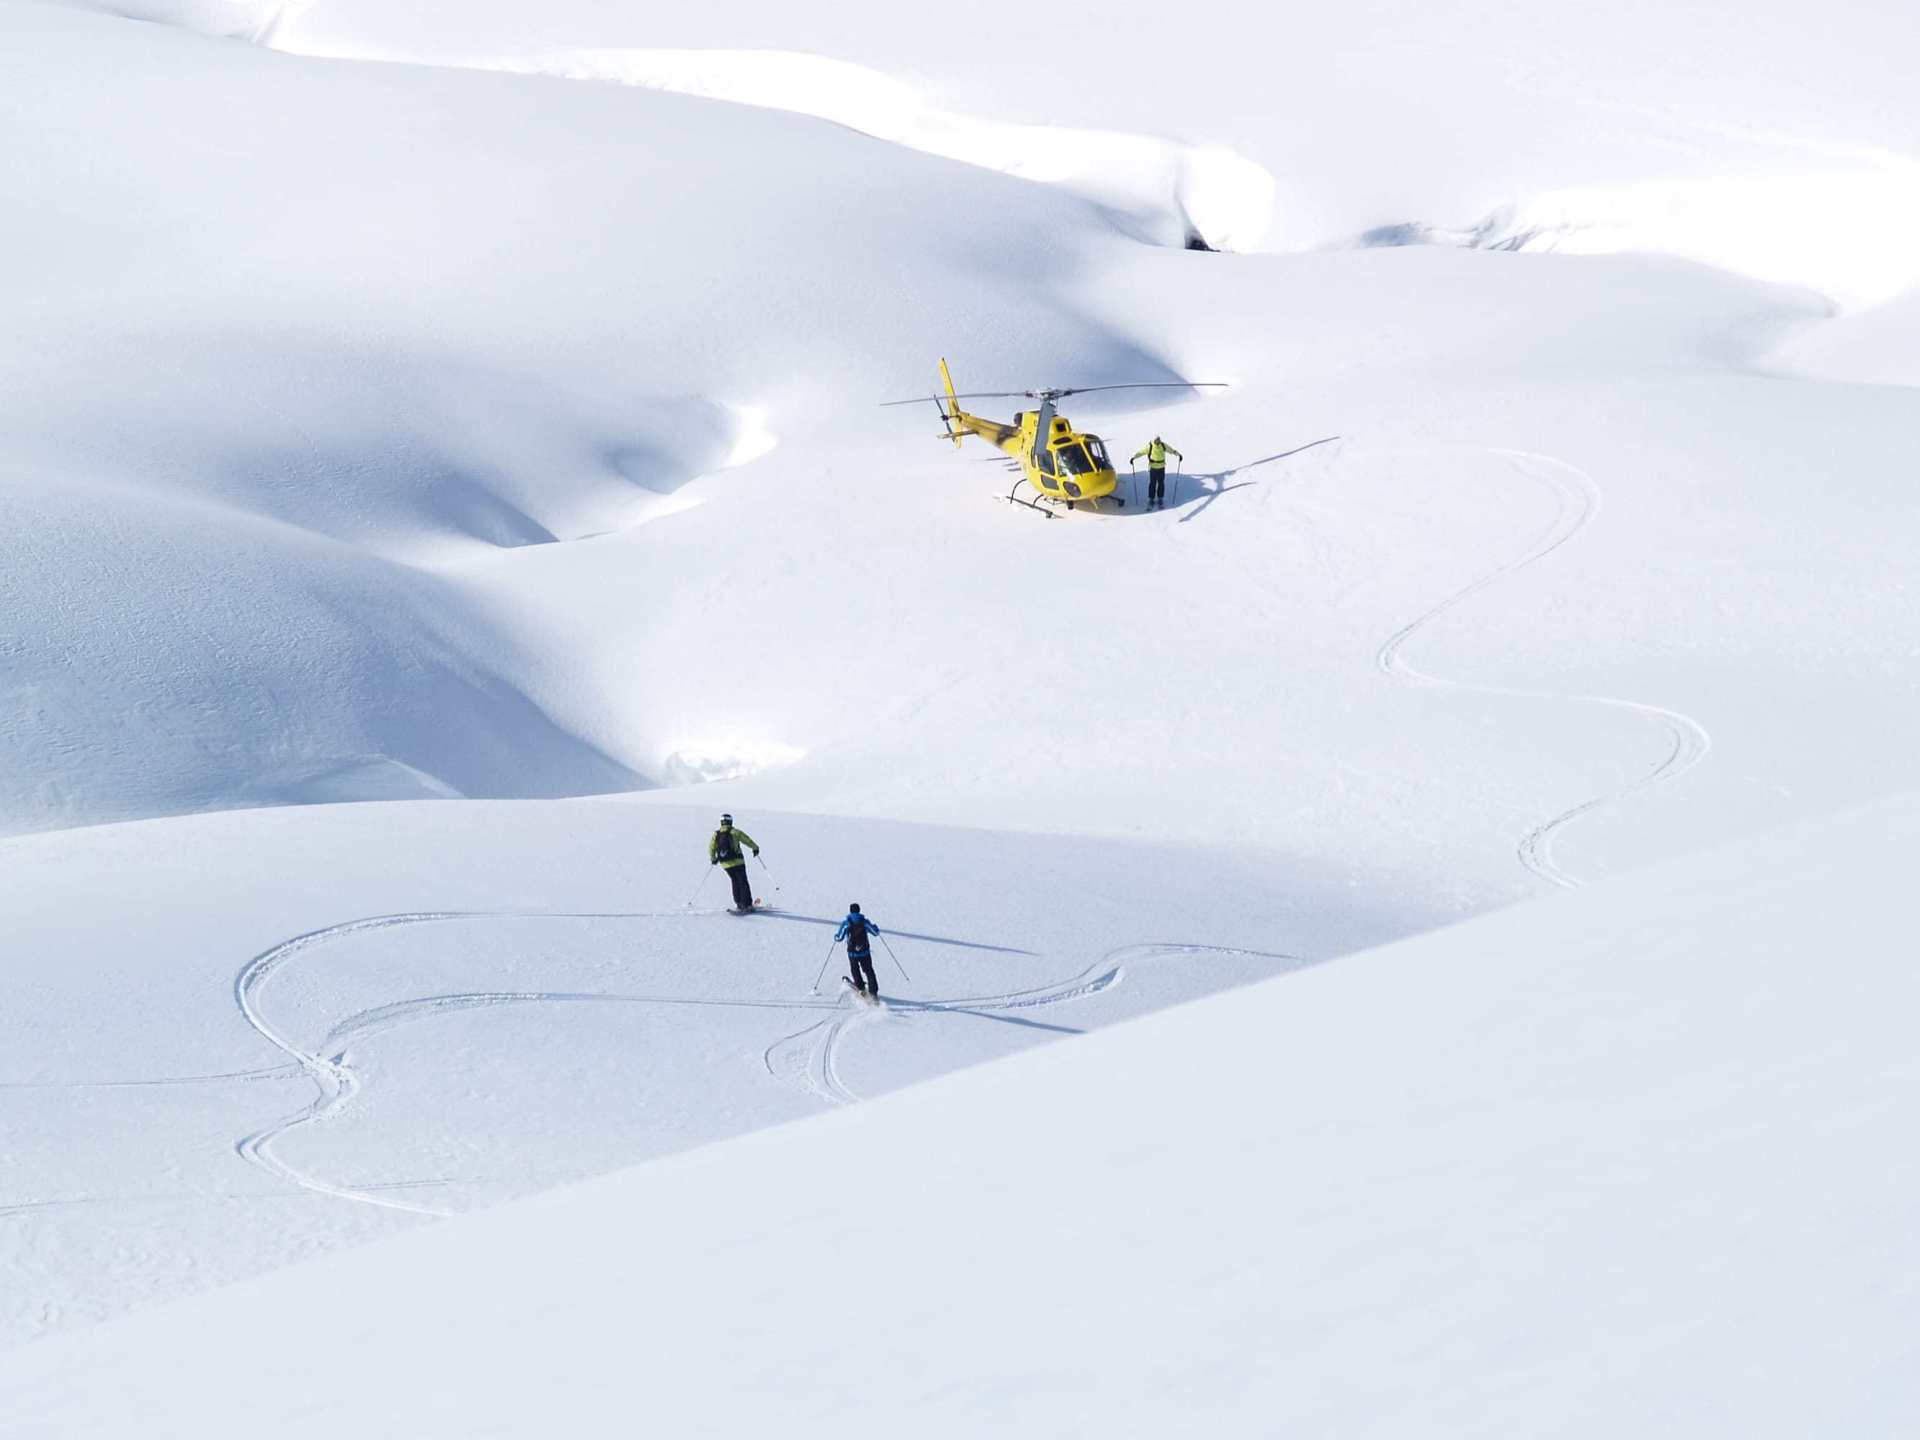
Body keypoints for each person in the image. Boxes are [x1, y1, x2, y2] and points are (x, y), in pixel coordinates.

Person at [708, 813, 760, 912]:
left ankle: (739, 903)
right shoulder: (734, 832)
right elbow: (746, 840)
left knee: (735, 881)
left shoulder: (716, 834)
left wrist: (713, 858)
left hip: (725, 864)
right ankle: (747, 904)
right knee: (743, 882)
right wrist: (755, 848)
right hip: (738, 862)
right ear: (730, 821)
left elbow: (711, 847)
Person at [835, 903, 881, 998]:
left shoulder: (846, 923)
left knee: (855, 969)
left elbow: (839, 938)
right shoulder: (864, 922)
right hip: (865, 952)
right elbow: (875, 933)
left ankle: (861, 988)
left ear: (850, 911)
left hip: (852, 953)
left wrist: (835, 937)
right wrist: (876, 927)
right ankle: (873, 992)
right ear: (859, 910)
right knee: (869, 970)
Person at [1130, 435, 1184, 509]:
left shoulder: (1163, 445)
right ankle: (1151, 499)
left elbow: (1171, 450)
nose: (1158, 441)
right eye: (1157, 440)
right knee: (1152, 483)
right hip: (1153, 468)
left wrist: (1178, 454)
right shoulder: (1150, 446)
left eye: (1159, 439)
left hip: (1161, 468)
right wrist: (1134, 457)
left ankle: (1160, 498)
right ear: (1154, 440)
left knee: (1161, 483)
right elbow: (1141, 452)